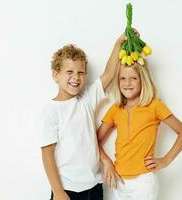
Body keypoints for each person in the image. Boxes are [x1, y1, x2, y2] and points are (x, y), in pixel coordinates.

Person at [38, 34, 126, 200]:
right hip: (67, 190)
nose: (76, 77)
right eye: (69, 72)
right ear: (55, 75)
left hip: (94, 186)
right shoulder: (51, 110)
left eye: (81, 72)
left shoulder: (86, 99)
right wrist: (57, 192)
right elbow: (47, 154)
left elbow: (108, 74)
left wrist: (118, 44)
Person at [97, 61, 182, 200]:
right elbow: (95, 140)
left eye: (133, 78)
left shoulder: (155, 105)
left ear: (143, 80)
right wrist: (107, 162)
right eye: (122, 78)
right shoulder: (115, 109)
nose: (127, 83)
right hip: (117, 180)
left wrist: (165, 160)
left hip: (143, 182)